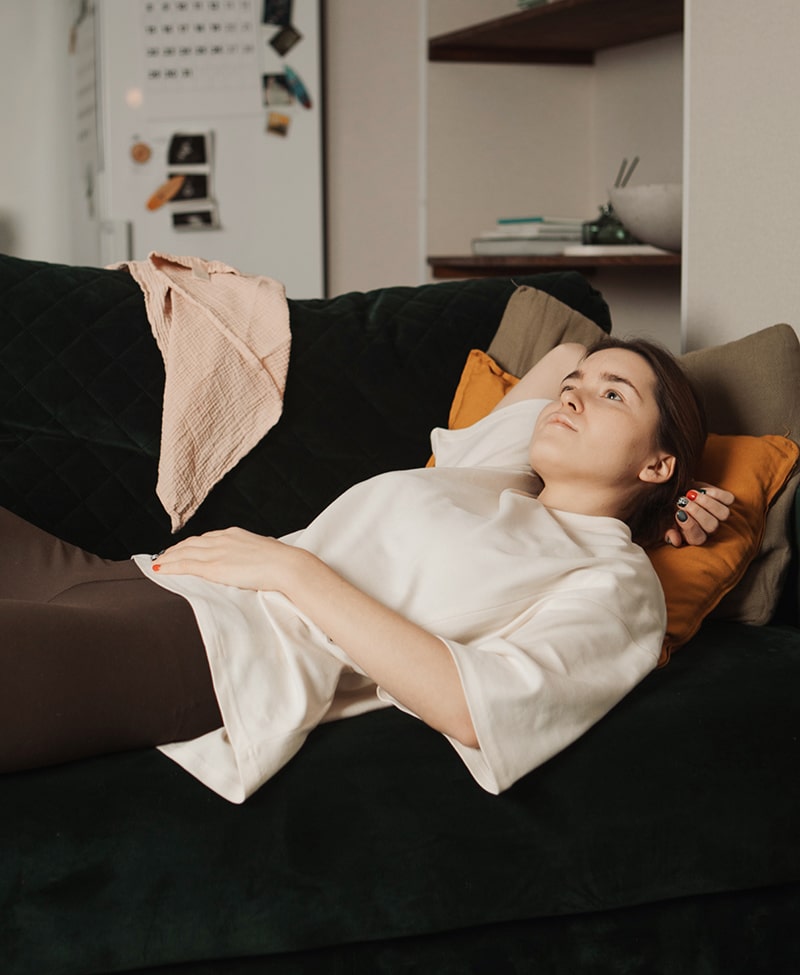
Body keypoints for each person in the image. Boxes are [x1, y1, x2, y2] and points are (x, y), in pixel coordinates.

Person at [1, 338, 733, 803]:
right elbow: (567, 344)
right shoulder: (497, 471)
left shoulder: (615, 579)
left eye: (612, 394)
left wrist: (291, 570)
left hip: (209, 652)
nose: (573, 392)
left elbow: (476, 709)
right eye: (577, 384)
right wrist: (655, 472)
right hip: (138, 578)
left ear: (658, 460)